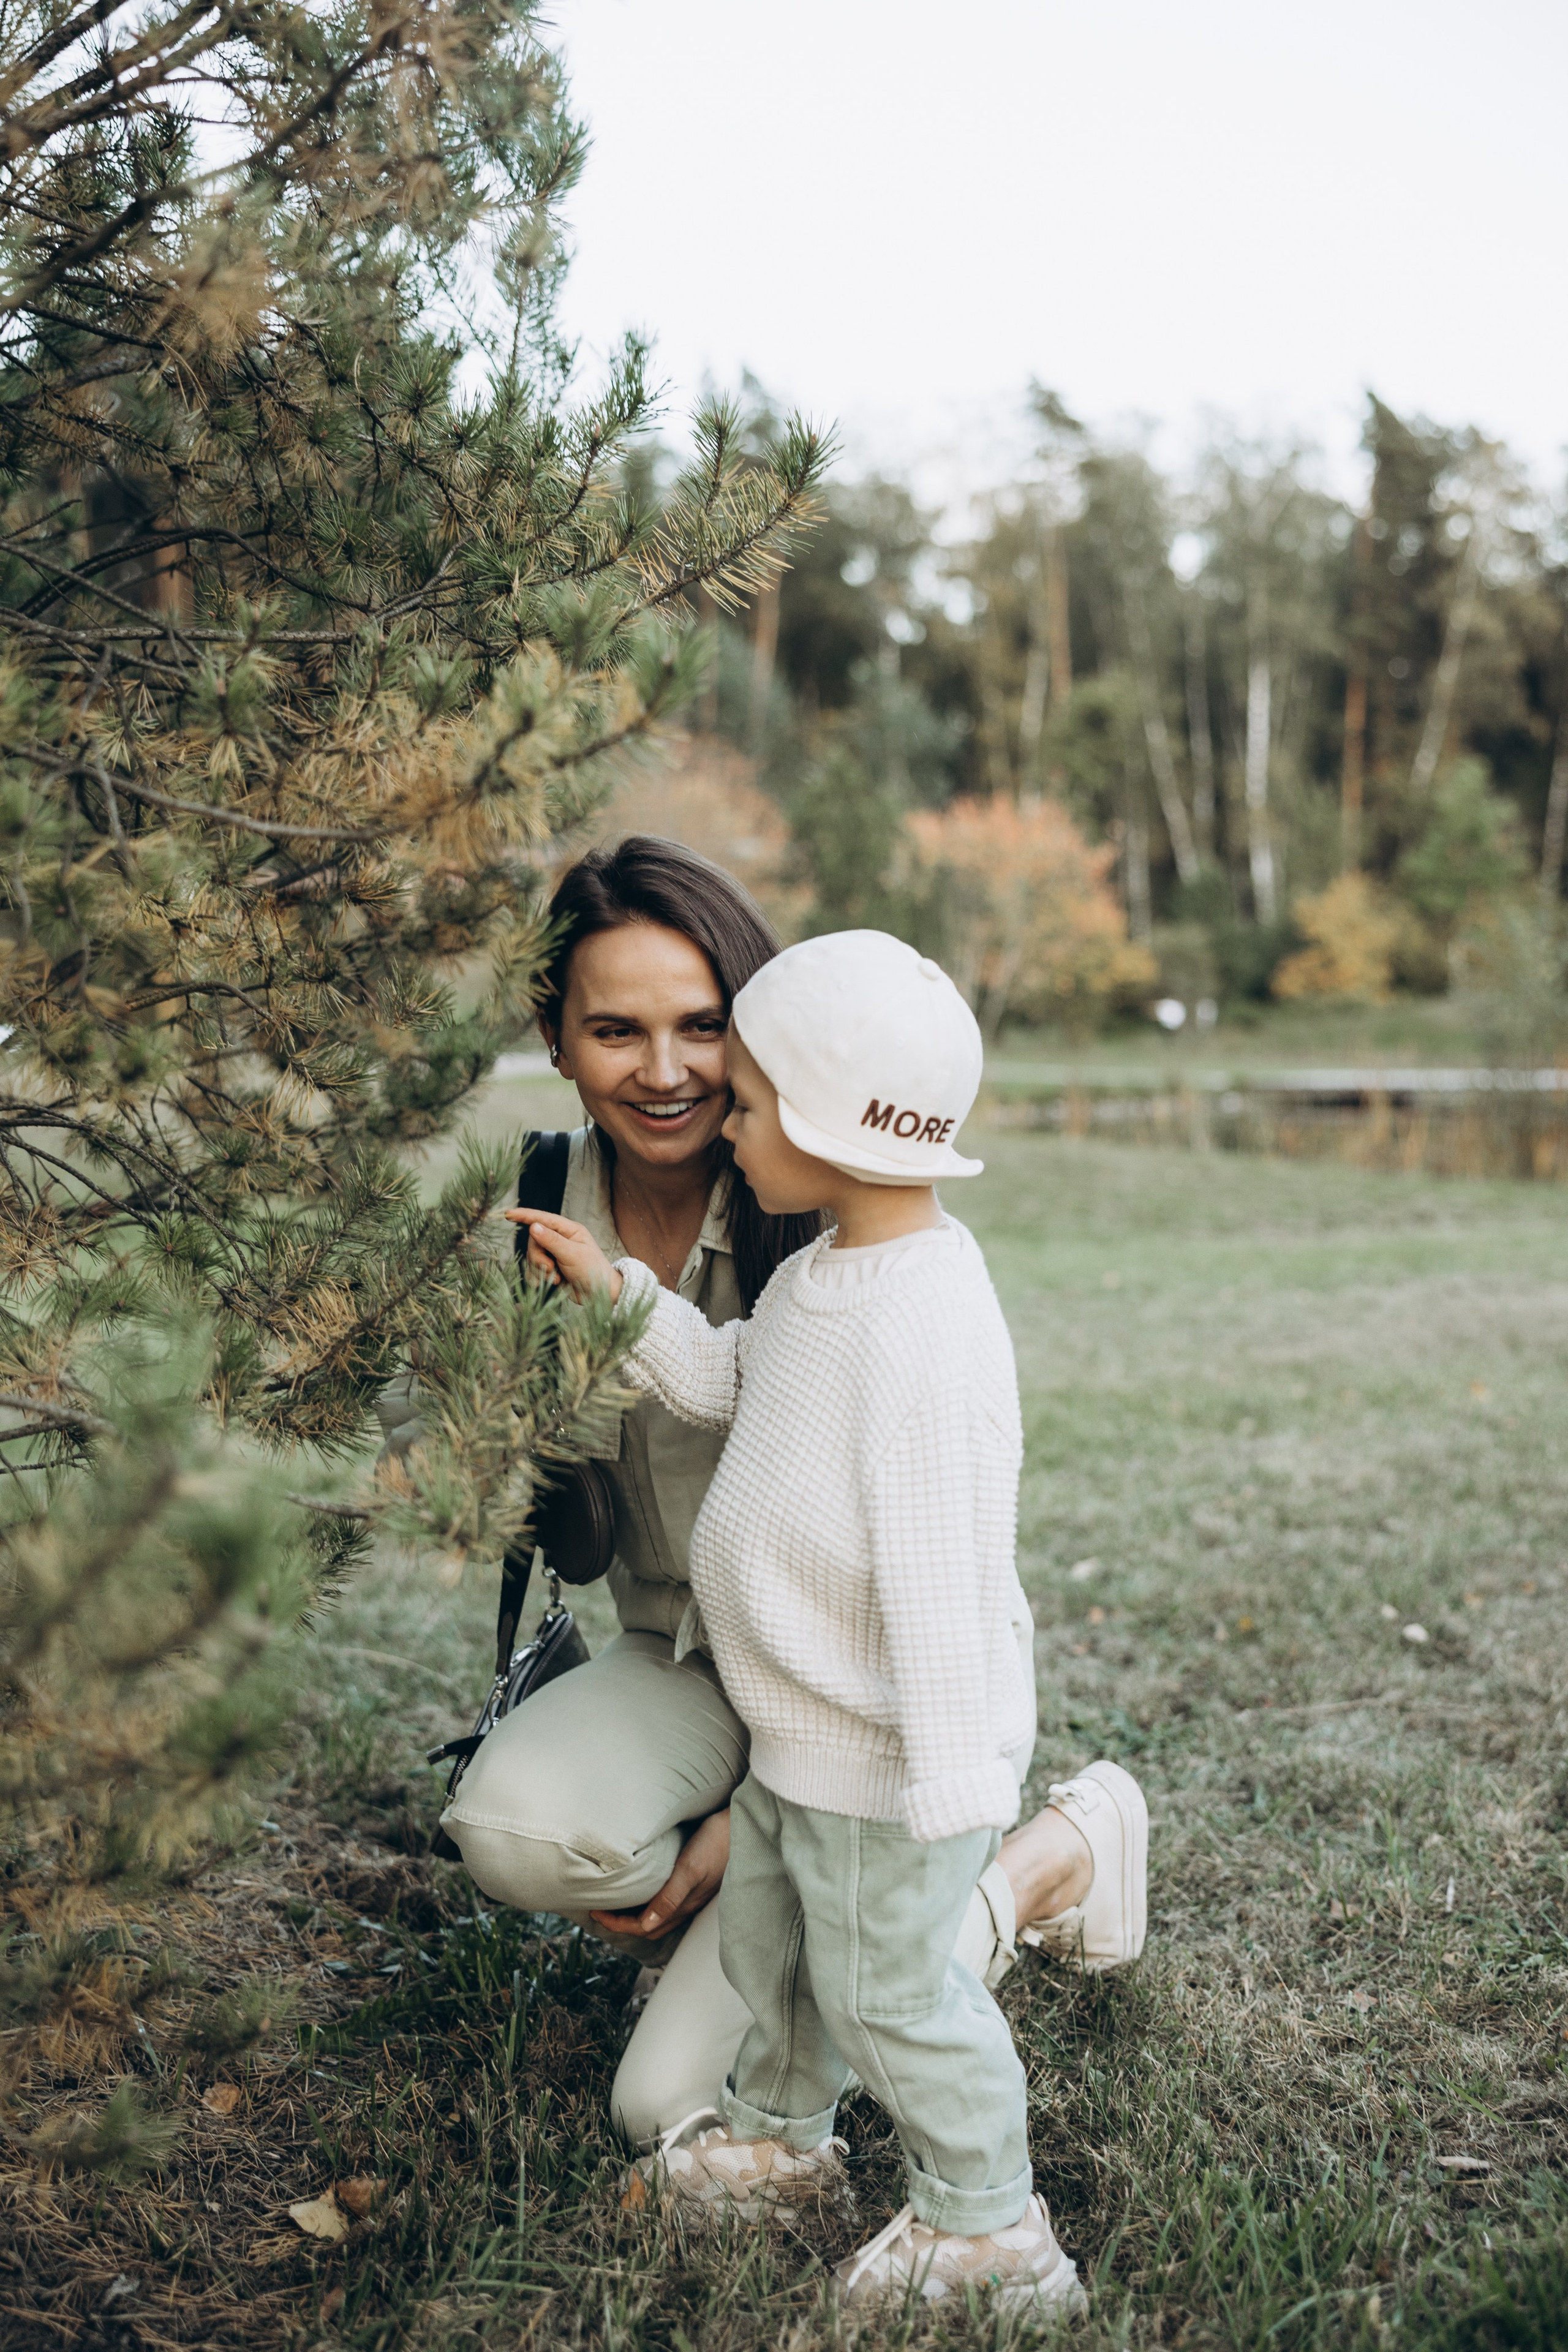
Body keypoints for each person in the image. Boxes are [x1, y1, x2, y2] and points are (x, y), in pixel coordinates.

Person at [442, 836, 1144, 2149]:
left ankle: (1035, 1866)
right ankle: (778, 1909)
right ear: (555, 1036)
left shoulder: (845, 1235)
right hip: (686, 1666)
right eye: (614, 1028)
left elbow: (935, 1574)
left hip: (860, 1721)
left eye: (704, 1029)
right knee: (515, 1827)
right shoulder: (545, 1211)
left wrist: (758, 1817)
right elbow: (688, 1384)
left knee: (671, 2102)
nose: (667, 1074)